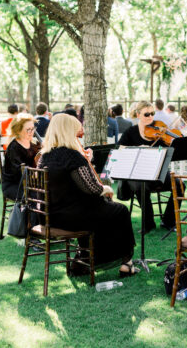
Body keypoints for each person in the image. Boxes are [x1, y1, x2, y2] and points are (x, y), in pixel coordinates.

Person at [38, 113, 138, 276]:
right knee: (120, 211)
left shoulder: (45, 156)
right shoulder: (71, 155)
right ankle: (126, 263)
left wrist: (86, 161)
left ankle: (83, 260)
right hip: (69, 216)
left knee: (102, 209)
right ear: (68, 132)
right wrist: (106, 189)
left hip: (50, 215)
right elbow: (91, 188)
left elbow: (72, 184)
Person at [118, 100, 181, 233]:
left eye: (152, 113)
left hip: (157, 172)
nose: (151, 117)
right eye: (147, 114)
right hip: (136, 173)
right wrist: (137, 148)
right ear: (138, 114)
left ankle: (168, 221)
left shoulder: (160, 131)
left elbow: (169, 151)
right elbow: (120, 148)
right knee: (140, 186)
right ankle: (149, 223)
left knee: (180, 184)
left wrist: (173, 142)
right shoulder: (131, 132)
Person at [2, 114, 39, 200]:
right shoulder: (13, 147)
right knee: (38, 196)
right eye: (28, 129)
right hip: (14, 185)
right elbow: (18, 171)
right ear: (18, 131)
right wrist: (36, 173)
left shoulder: (34, 145)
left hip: (31, 183)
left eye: (33, 128)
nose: (32, 132)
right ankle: (30, 213)